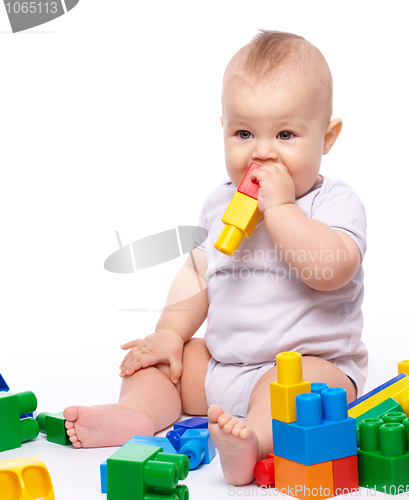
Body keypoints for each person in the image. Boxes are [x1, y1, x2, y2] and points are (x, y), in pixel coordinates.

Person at [64, 30, 368, 486]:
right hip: (224, 365)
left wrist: (281, 210)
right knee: (167, 362)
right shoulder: (220, 203)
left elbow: (333, 269)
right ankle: (136, 414)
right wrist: (168, 333)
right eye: (244, 132)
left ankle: (254, 442)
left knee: (303, 391)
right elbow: (199, 273)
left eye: (285, 134)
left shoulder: (332, 203)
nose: (262, 151)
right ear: (222, 128)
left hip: (308, 363)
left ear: (327, 137)